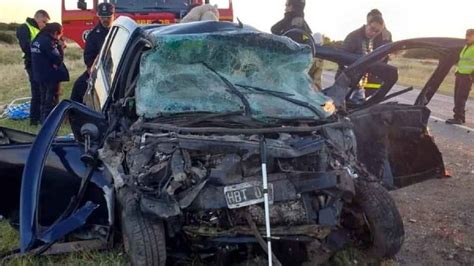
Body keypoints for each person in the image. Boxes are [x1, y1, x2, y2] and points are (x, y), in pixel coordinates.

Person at [70, 2, 115, 104]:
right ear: (99, 16)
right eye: (102, 17)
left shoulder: (118, 31)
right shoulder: (93, 35)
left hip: (119, 68)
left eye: (108, 17)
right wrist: (92, 69)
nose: (105, 20)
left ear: (113, 15)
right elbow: (89, 56)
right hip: (100, 70)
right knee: (79, 85)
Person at [337, 15, 386, 102]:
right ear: (368, 24)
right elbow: (341, 58)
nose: (373, 33)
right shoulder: (354, 37)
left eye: (377, 31)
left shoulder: (369, 40)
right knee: (334, 109)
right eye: (372, 28)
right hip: (346, 84)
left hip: (359, 84)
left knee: (357, 109)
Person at [16, 10, 50, 126]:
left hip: (40, 63)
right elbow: (26, 47)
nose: (44, 25)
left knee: (42, 91)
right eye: (44, 22)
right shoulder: (24, 27)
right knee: (37, 91)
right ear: (38, 17)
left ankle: (41, 117)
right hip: (32, 63)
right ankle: (34, 120)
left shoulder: (38, 29)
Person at [31, 23, 69, 123]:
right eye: (60, 35)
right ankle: (49, 122)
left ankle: (43, 120)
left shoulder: (37, 40)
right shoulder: (48, 42)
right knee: (50, 99)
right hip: (50, 75)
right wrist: (60, 47)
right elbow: (58, 59)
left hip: (39, 74)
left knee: (43, 98)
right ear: (56, 33)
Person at [446, 29, 474, 125]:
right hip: (460, 74)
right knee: (457, 96)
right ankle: (461, 117)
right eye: (467, 35)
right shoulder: (466, 46)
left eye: (470, 36)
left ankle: (458, 118)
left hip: (467, 76)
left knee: (460, 97)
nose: (467, 37)